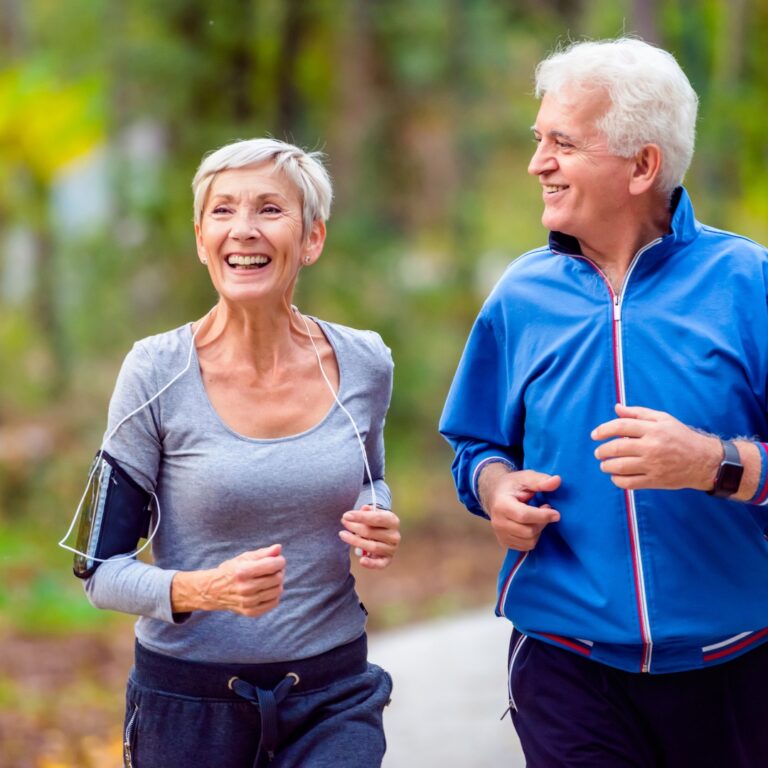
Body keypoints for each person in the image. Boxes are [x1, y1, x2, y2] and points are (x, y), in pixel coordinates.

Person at [440, 37, 768, 767]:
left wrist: (714, 462)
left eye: (562, 142)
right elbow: (475, 446)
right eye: (538, 140)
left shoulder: (750, 284)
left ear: (642, 165)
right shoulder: (519, 297)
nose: (537, 163)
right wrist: (496, 490)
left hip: (739, 666)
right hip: (566, 663)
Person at [69, 138, 400, 767]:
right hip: (189, 706)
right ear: (200, 239)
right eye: (223, 211)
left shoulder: (362, 362)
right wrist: (205, 589)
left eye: (270, 209)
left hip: (332, 695)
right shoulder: (155, 372)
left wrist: (375, 515)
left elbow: (369, 477)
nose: (243, 230)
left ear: (311, 239)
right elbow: (98, 570)